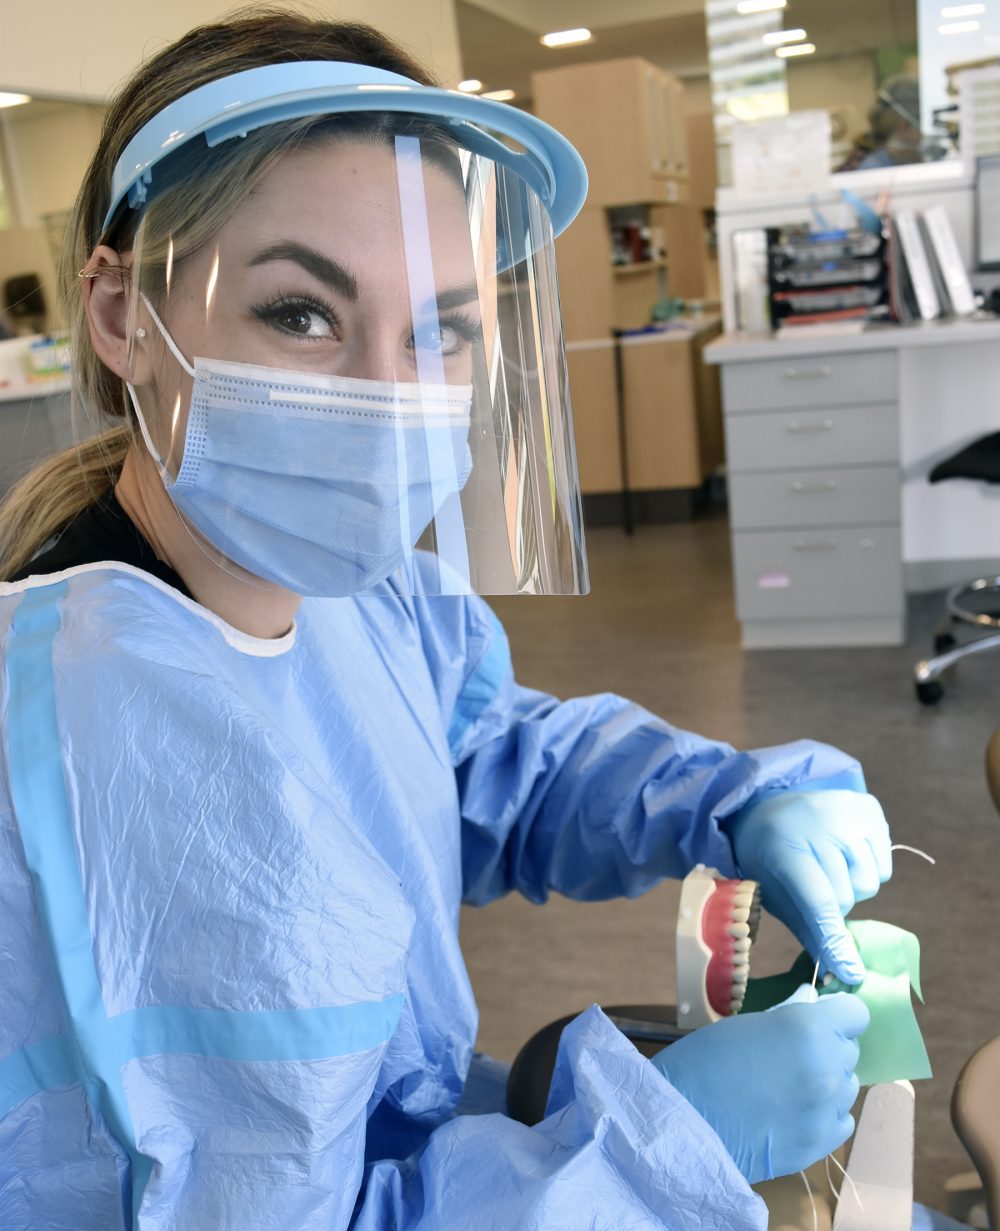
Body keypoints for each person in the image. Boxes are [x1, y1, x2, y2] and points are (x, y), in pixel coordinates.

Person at [0, 13, 903, 1229]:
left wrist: (728, 801)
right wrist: (655, 1145)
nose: (388, 392)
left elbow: (479, 758)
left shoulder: (348, 580)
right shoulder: (102, 736)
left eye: (443, 330)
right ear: (119, 317)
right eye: (301, 313)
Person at [839, 76, 925, 172]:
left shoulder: (906, 162)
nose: (925, 134)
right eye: (922, 124)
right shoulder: (874, 170)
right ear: (904, 126)